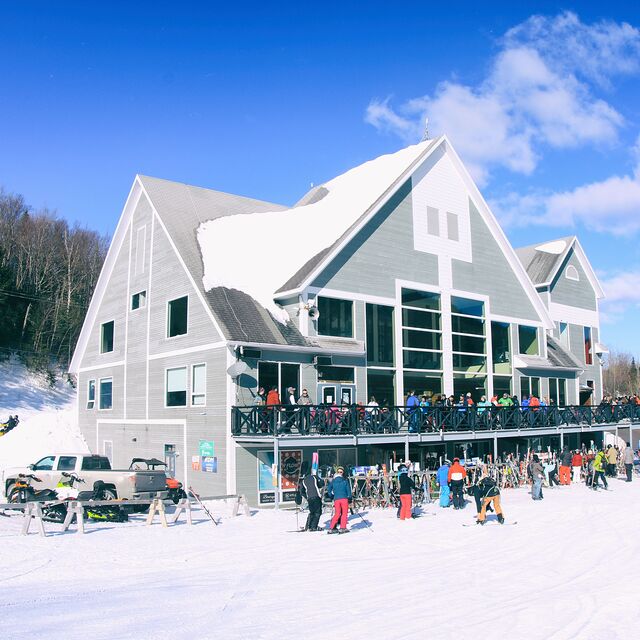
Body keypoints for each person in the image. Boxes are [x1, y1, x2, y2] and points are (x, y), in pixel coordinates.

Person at [299, 462, 325, 531]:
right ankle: (313, 527)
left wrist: (307, 496)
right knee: (317, 512)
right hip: (316, 496)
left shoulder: (303, 481)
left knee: (312, 512)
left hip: (309, 498)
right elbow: (322, 483)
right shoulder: (314, 477)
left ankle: (309, 526)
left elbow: (301, 491)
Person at [327, 467, 352, 533]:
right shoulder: (344, 480)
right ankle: (343, 527)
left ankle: (331, 528)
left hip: (336, 499)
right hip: (344, 498)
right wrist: (350, 498)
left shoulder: (333, 481)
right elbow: (348, 490)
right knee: (344, 513)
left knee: (337, 513)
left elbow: (329, 489)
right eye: (340, 472)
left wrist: (331, 496)